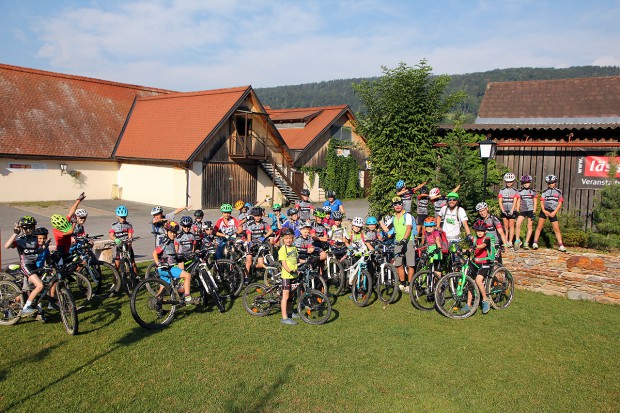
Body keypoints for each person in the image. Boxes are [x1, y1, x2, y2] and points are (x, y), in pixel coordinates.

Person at [4, 217, 47, 316]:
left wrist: (45, 247)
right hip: (26, 265)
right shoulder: (20, 240)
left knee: (27, 290)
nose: (29, 230)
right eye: (26, 228)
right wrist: (15, 233)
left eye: (31, 227)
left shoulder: (34, 238)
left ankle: (12, 309)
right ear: (22, 228)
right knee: (40, 285)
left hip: (34, 266)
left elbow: (36, 252)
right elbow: (6, 246)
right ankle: (26, 307)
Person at [381, 196, 416, 293]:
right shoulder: (393, 218)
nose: (397, 206)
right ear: (393, 206)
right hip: (397, 242)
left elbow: (409, 228)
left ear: (402, 205)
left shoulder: (407, 215)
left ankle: (409, 285)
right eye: (395, 204)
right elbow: (388, 231)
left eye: (399, 204)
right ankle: (402, 283)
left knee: (410, 264)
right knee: (398, 264)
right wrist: (380, 221)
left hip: (408, 241)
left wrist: (405, 239)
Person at [153, 221, 193, 304]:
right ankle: (188, 298)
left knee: (162, 289)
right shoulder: (165, 242)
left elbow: (173, 256)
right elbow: (154, 253)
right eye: (171, 232)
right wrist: (158, 264)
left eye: (174, 232)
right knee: (187, 276)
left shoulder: (171, 242)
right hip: (167, 268)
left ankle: (157, 305)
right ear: (166, 232)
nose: (173, 234)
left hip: (164, 269)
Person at [466, 219, 497, 314]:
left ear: (485, 231)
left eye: (482, 231)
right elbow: (471, 248)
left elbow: (483, 245)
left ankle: (485, 299)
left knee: (478, 281)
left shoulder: (486, 238)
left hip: (485, 263)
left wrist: (476, 247)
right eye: (478, 231)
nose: (480, 233)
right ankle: (468, 304)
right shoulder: (475, 239)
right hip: (476, 263)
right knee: (470, 282)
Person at [532, 175, 566, 252]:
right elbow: (541, 202)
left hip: (553, 210)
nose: (551, 184)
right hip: (545, 210)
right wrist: (544, 211)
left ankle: (561, 245)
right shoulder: (545, 192)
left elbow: (560, 202)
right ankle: (535, 243)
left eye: (552, 183)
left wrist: (554, 212)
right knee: (539, 226)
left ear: (555, 183)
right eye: (549, 183)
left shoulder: (558, 192)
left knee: (556, 229)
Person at [51, 192, 86, 256]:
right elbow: (70, 232)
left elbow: (71, 211)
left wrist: (78, 200)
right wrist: (74, 223)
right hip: (61, 251)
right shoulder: (56, 232)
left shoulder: (65, 221)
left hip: (68, 248)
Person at [109, 205, 139, 276]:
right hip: (119, 246)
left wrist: (129, 245)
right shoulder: (114, 225)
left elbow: (130, 236)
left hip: (127, 245)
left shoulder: (129, 225)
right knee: (117, 264)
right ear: (118, 216)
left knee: (133, 263)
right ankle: (115, 281)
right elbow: (111, 235)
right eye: (121, 217)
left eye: (124, 217)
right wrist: (115, 239)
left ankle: (136, 277)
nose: (123, 219)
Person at [278, 228, 299, 325]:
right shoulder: (283, 249)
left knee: (292, 295)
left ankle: (290, 311)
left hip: (293, 275)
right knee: (285, 296)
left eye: (290, 238)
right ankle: (284, 317)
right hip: (287, 275)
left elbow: (296, 260)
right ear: (283, 239)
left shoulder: (294, 248)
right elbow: (284, 264)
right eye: (286, 238)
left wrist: (306, 261)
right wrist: (290, 270)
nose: (288, 240)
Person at [244, 207, 273, 275]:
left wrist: (264, 237)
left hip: (260, 245)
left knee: (260, 264)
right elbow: (248, 234)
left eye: (259, 215)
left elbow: (270, 231)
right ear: (253, 216)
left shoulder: (264, 223)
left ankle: (252, 269)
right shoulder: (250, 224)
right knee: (249, 261)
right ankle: (246, 277)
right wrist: (250, 242)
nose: (258, 217)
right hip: (251, 244)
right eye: (256, 216)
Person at [514, 175, 538, 250]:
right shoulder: (520, 192)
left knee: (529, 226)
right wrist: (517, 210)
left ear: (530, 183)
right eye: (524, 183)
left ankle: (526, 243)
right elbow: (518, 201)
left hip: (530, 210)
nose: (526, 184)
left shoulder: (533, 192)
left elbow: (535, 202)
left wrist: (534, 211)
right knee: (517, 224)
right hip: (523, 210)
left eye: (527, 183)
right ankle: (517, 240)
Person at [498, 173, 520, 247]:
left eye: (510, 182)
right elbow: (500, 201)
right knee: (505, 226)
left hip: (511, 209)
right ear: (505, 182)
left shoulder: (515, 191)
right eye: (507, 182)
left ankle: (510, 241)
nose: (509, 183)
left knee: (511, 226)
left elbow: (515, 201)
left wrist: (512, 210)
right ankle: (505, 240)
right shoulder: (502, 190)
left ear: (513, 182)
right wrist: (502, 210)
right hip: (504, 209)